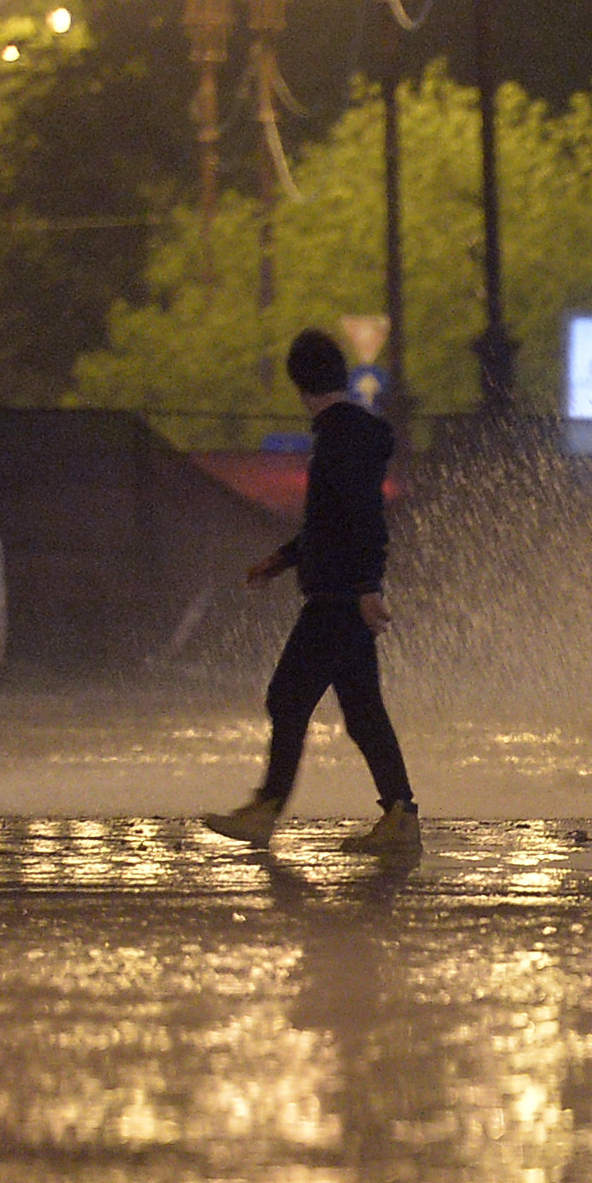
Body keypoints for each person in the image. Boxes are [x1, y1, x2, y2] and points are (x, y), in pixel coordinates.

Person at [204, 327, 420, 855]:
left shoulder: (339, 438)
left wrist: (367, 586)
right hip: (342, 591)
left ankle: (267, 808)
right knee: (364, 712)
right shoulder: (347, 432)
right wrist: (283, 559)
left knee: (288, 697)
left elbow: (360, 518)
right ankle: (400, 817)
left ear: (297, 382)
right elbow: (332, 521)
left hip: (338, 598)